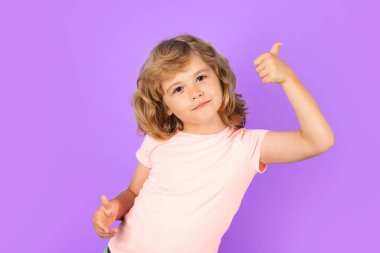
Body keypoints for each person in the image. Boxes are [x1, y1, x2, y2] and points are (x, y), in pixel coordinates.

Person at [92, 34, 334, 253]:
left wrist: (288, 80)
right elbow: (133, 193)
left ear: (219, 77)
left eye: (200, 77)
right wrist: (115, 207)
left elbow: (317, 141)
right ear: (165, 106)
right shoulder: (159, 139)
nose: (195, 92)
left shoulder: (246, 146)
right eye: (178, 88)